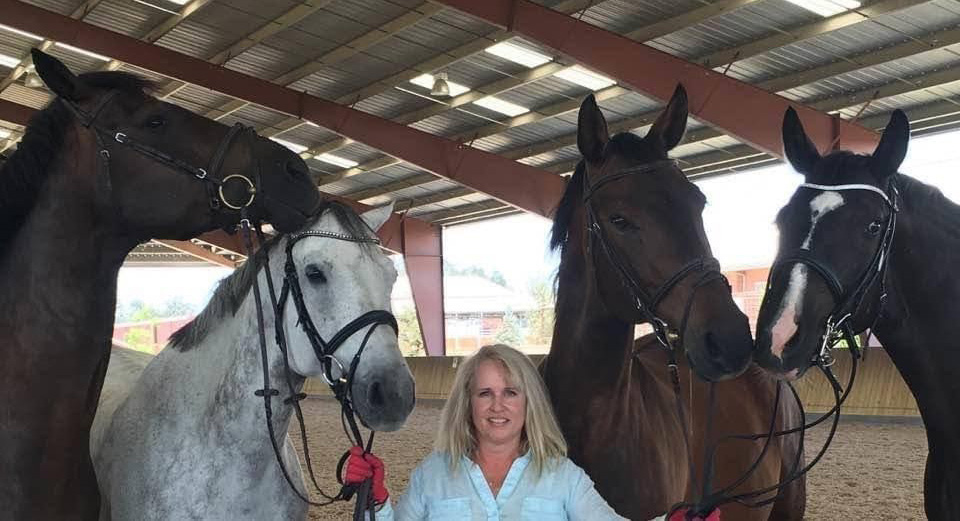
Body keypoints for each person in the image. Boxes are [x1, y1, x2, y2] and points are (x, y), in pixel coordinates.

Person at [343, 344, 631, 520]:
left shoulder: (564, 477)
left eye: (510, 392)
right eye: (485, 393)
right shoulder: (431, 475)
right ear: (467, 403)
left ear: (529, 402)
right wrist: (376, 498)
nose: (497, 406)